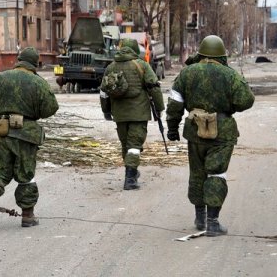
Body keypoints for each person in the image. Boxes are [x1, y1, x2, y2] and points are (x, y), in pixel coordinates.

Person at [166, 35, 255, 236]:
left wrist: (172, 128)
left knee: (197, 172)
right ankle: (213, 222)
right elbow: (246, 100)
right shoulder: (230, 75)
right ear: (222, 54)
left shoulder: (187, 73)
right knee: (216, 173)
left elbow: (175, 103)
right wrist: (227, 106)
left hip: (195, 131)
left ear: (201, 52)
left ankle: (199, 218)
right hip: (222, 132)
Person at [0, 47, 59, 227]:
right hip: (26, 133)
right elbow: (51, 108)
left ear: (18, 59)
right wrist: (34, 113)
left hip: (1, 130)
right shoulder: (39, 83)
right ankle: (28, 216)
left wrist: (2, 112)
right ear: (35, 63)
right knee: (26, 174)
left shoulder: (0, 77)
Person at [99, 38, 165, 190]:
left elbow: (104, 92)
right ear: (135, 50)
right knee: (134, 146)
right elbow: (154, 87)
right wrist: (159, 109)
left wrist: (106, 111)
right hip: (139, 113)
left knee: (126, 145)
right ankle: (130, 179)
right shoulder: (142, 65)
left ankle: (132, 172)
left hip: (119, 114)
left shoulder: (111, 67)